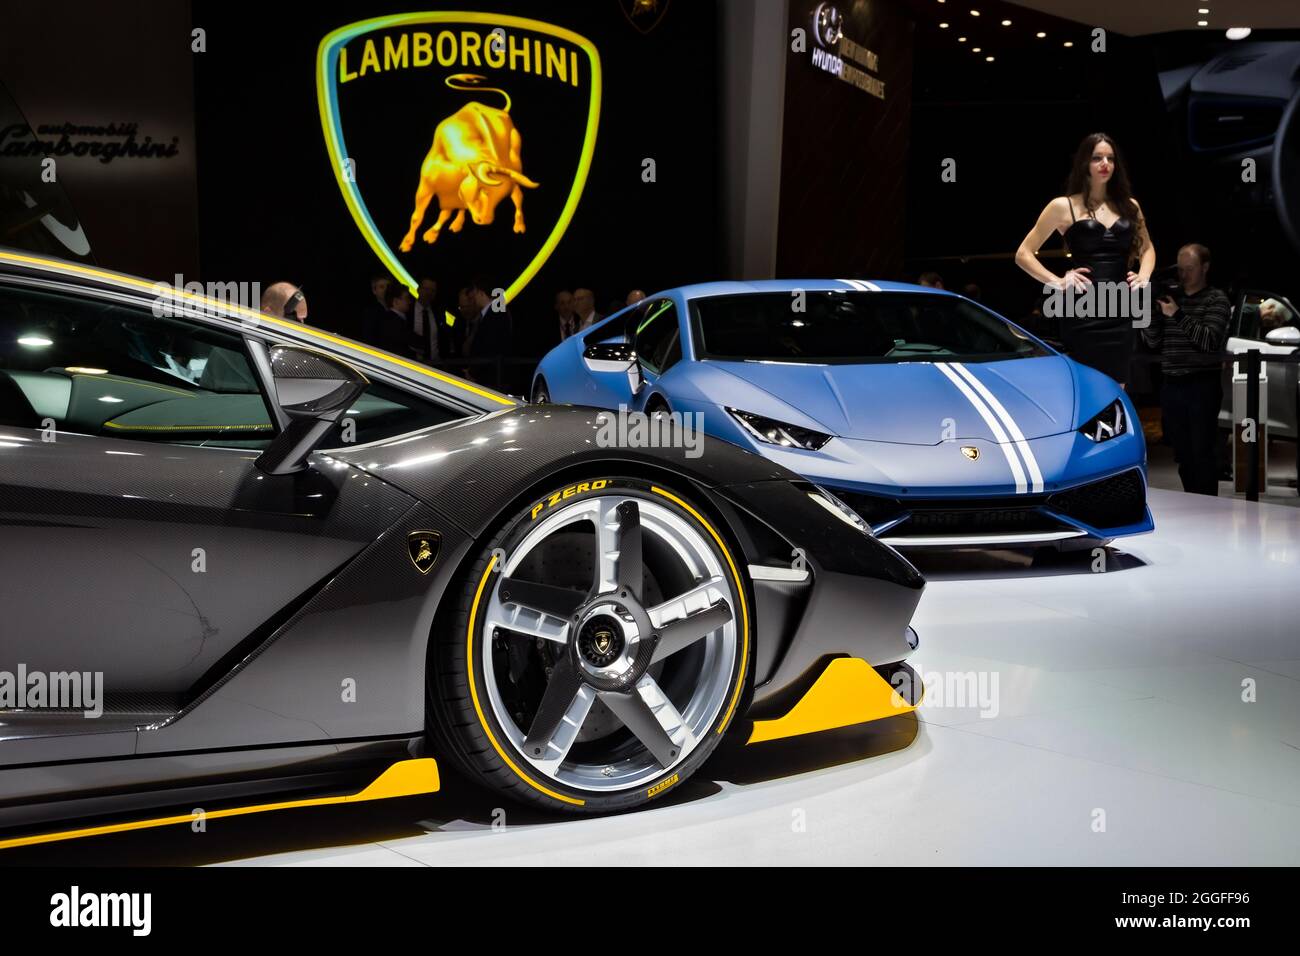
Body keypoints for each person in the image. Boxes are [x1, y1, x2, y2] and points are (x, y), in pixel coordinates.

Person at [1015, 132, 1156, 386]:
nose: (1105, 164)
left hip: (1120, 311)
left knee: (1117, 388)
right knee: (1086, 388)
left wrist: (1144, 276)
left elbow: (1147, 248)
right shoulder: (1062, 206)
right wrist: (1057, 281)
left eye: (1110, 158)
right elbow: (1023, 254)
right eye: (1097, 158)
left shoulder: (1130, 206)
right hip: (1083, 312)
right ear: (1084, 163)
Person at [1142, 243, 1229, 496]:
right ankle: (1192, 500)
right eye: (1180, 269)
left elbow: (1209, 341)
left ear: (1205, 267)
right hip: (1171, 383)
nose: (1183, 274)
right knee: (1182, 453)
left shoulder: (1216, 299)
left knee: (1203, 450)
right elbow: (1153, 341)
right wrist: (1147, 315)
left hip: (1202, 383)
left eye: (1189, 268)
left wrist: (1177, 315)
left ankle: (1208, 504)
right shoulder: (1171, 298)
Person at [410, 277, 441, 363]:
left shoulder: (438, 313)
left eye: (432, 290)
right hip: (412, 363)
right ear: (418, 290)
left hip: (435, 364)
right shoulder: (408, 310)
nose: (429, 293)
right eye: (426, 289)